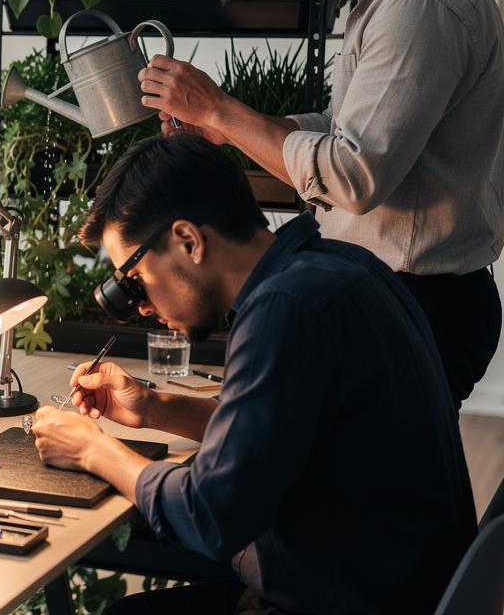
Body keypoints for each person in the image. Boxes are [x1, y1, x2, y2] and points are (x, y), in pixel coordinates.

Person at [31, 134, 476, 614]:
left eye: (134, 280)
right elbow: (283, 434)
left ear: (188, 240)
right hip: (400, 587)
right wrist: (156, 407)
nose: (140, 306)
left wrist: (93, 448)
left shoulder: (286, 310)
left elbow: (211, 517)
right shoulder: (336, 267)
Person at [137, 0, 504, 409]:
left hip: (418, 301)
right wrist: (228, 130)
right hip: (404, 293)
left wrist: (219, 110)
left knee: (366, 485)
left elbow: (353, 174)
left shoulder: (420, 4)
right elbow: (342, 132)